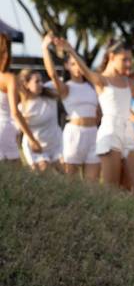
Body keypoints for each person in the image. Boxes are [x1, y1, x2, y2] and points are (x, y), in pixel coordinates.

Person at [54, 36, 134, 195]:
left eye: (130, 60)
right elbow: (85, 70)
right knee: (111, 190)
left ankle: (127, 213)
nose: (129, 64)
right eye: (125, 60)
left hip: (128, 132)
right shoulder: (101, 80)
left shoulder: (128, 80)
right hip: (110, 133)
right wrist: (70, 50)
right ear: (112, 57)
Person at [41, 33, 100, 181]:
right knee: (71, 181)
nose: (77, 67)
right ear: (67, 66)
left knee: (92, 184)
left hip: (94, 133)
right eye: (73, 64)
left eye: (78, 63)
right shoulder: (67, 88)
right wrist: (45, 48)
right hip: (74, 134)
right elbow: (53, 75)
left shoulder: (93, 86)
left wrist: (70, 49)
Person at [0, 33, 41, 164]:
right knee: (15, 177)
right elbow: (15, 113)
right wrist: (32, 139)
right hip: (5, 130)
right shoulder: (9, 78)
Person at [17, 68, 63, 172]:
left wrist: (45, 51)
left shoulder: (49, 93)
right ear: (26, 84)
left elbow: (55, 76)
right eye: (37, 81)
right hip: (37, 148)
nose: (41, 84)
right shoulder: (21, 108)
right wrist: (32, 141)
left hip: (56, 144)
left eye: (41, 81)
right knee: (46, 175)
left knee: (68, 174)